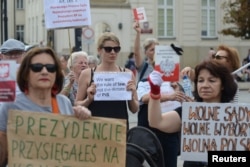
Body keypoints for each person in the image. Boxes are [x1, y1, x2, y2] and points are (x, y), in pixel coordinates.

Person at [0, 47, 91, 166]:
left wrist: (83, 121)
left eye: (50, 68)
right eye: (37, 67)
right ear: (26, 73)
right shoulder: (11, 104)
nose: (44, 71)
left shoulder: (64, 103)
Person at [148, 60, 237, 167]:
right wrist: (155, 92)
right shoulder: (190, 112)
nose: (205, 85)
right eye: (200, 80)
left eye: (212, 80)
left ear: (223, 85)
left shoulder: (235, 115)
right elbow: (157, 121)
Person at [134, 20, 184, 167]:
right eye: (151, 50)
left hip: (169, 129)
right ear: (146, 53)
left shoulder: (172, 73)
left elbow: (183, 97)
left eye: (157, 49)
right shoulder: (145, 68)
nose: (155, 53)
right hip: (150, 127)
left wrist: (180, 86)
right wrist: (138, 33)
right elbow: (144, 98)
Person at [75, 32, 139, 129]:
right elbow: (77, 104)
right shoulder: (87, 74)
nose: (113, 52)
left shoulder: (127, 74)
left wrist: (131, 96)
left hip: (119, 128)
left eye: (116, 49)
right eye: (108, 49)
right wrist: (88, 100)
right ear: (99, 50)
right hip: (95, 128)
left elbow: (135, 109)